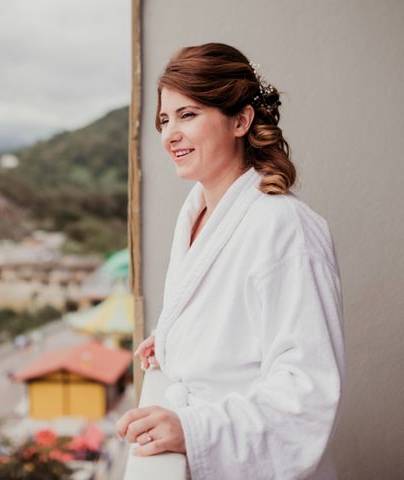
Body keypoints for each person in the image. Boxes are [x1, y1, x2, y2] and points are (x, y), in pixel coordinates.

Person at [116, 43, 344, 479]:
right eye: (165, 119)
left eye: (188, 115)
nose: (169, 134)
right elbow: (232, 325)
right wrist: (172, 338)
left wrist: (192, 430)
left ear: (241, 120)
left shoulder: (286, 228)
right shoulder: (199, 212)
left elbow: (306, 391)